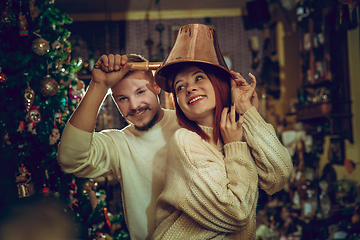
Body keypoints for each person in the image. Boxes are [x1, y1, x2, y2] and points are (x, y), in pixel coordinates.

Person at [151, 23, 293, 239]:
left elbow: (279, 176)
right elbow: (237, 213)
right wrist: (235, 147)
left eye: (199, 77)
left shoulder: (236, 132)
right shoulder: (186, 142)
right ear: (178, 102)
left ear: (219, 84)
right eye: (180, 87)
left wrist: (248, 113)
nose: (189, 88)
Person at [57, 53, 181, 240]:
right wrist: (99, 85)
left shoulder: (186, 123)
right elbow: (69, 159)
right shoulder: (118, 143)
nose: (134, 106)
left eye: (140, 92)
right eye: (122, 98)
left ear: (156, 86)